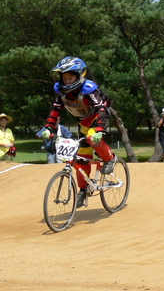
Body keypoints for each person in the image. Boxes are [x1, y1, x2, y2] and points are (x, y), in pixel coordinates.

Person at [40, 56, 116, 209]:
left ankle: (110, 158)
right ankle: (83, 189)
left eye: (70, 77)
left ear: (80, 75)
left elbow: (101, 109)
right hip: (83, 122)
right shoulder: (61, 93)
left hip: (97, 118)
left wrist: (100, 130)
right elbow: (55, 111)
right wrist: (48, 127)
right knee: (81, 157)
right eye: (65, 78)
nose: (67, 81)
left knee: (92, 139)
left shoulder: (89, 89)